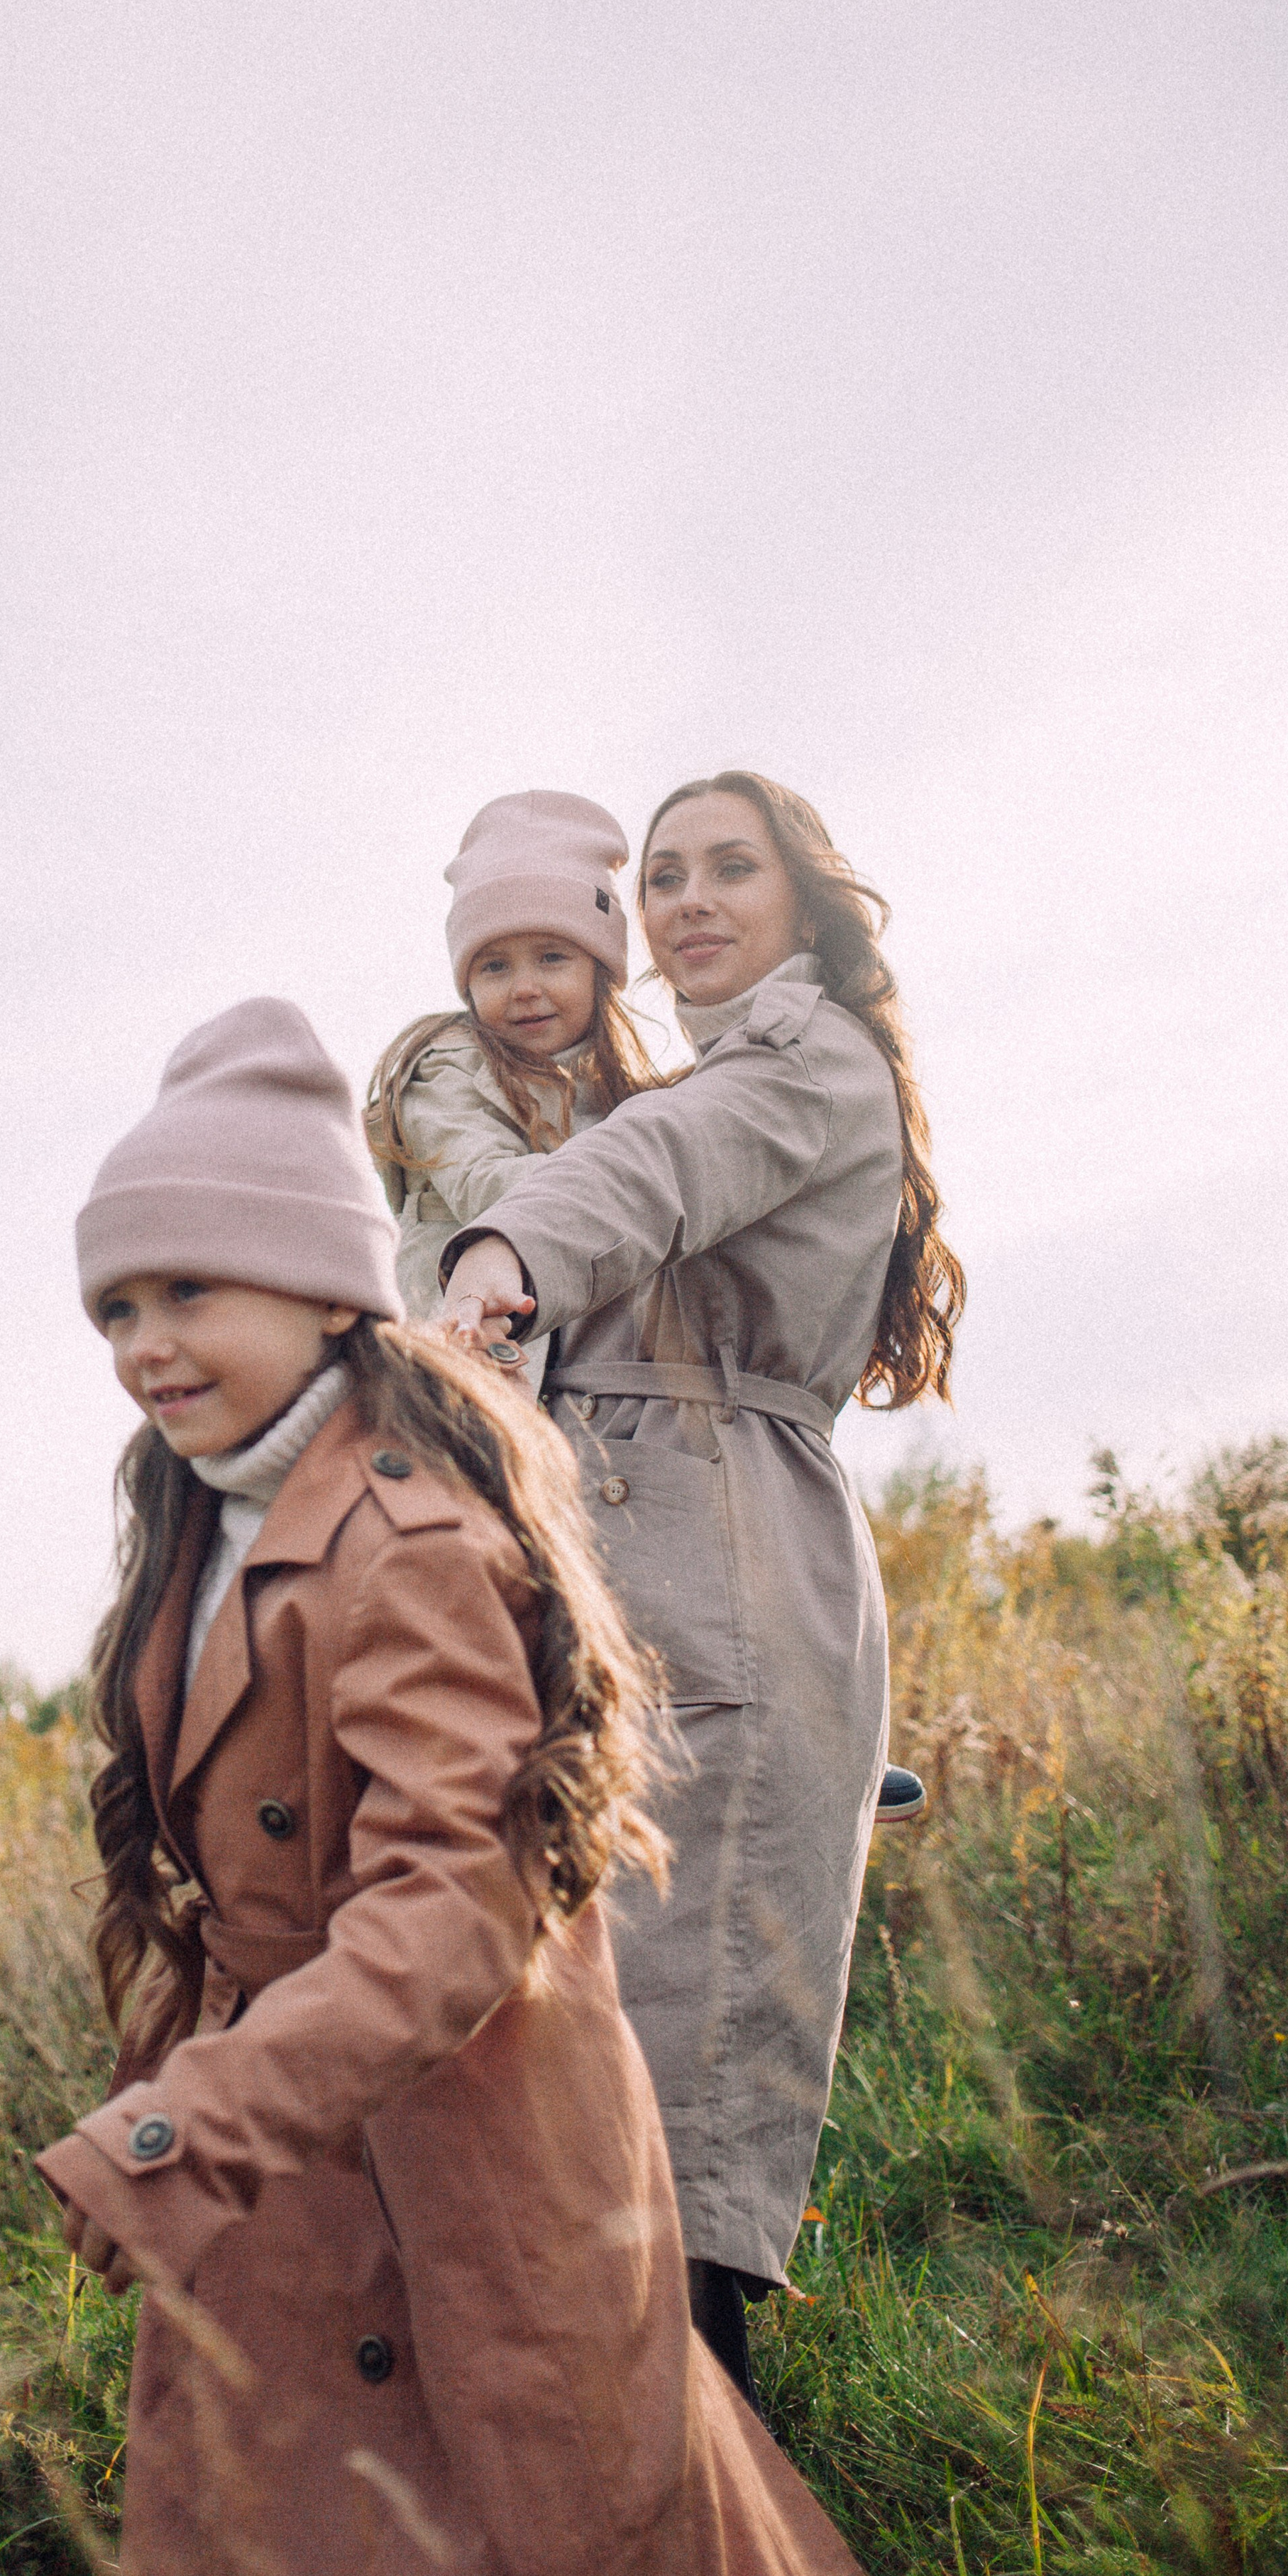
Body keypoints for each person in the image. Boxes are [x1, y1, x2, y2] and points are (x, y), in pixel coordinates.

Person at [35, 996, 893, 2576]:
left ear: (322, 1285)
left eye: (187, 1288)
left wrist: (183, 2124)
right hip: (304, 2169)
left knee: (545, 2560)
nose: (143, 1341)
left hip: (466, 2171)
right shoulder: (210, 1516)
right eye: (115, 1305)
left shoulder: (408, 1538)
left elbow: (453, 1909)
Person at [439, 771, 964, 2409]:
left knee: (664, 2118)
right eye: (658, 874)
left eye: (727, 866)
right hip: (648, 1580)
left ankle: (711, 2548)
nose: (683, 898)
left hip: (721, 1578)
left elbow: (644, 1173)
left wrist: (497, 1258)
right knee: (600, 2112)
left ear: (803, 901)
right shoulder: (728, 1068)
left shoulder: (796, 1065)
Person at [365, 788, 658, 1332]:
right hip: (461, 1363)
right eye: (495, 966)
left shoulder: (626, 1098)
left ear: (599, 969)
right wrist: (649, 1186)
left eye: (552, 958)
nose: (525, 988)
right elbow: (484, 1182)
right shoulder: (444, 1070)